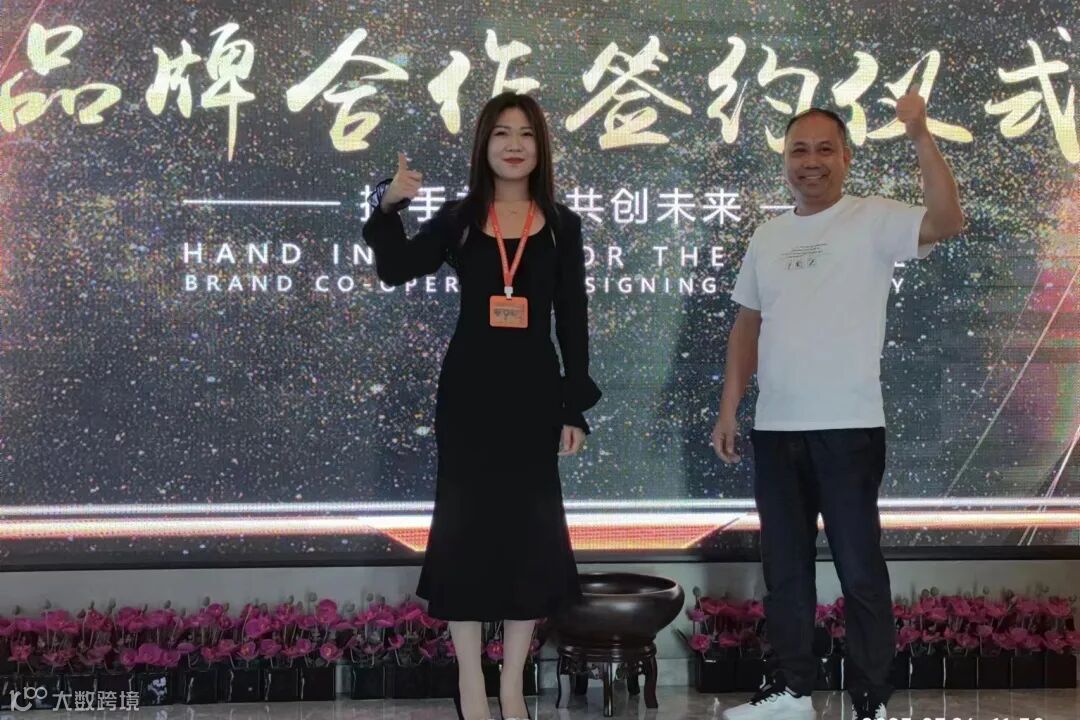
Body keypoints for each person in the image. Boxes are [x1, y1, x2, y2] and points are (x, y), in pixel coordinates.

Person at [714, 88, 964, 720]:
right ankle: (792, 689)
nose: (811, 161)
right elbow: (747, 326)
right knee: (785, 571)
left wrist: (920, 135)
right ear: (785, 161)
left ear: (846, 158)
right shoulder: (768, 236)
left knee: (860, 570)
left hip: (849, 428)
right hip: (777, 429)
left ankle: (871, 698)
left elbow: (946, 220)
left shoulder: (872, 218)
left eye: (825, 149)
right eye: (798, 150)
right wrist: (729, 407)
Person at [362, 92, 600, 720]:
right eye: (501, 133)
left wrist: (573, 405)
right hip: (468, 395)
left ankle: (513, 686)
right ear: (483, 146)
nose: (514, 145)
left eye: (526, 133)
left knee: (530, 537)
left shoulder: (564, 224)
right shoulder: (461, 218)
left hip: (534, 396)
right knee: (464, 532)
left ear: (541, 147)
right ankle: (471, 679)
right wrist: (389, 205)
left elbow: (573, 318)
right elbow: (396, 267)